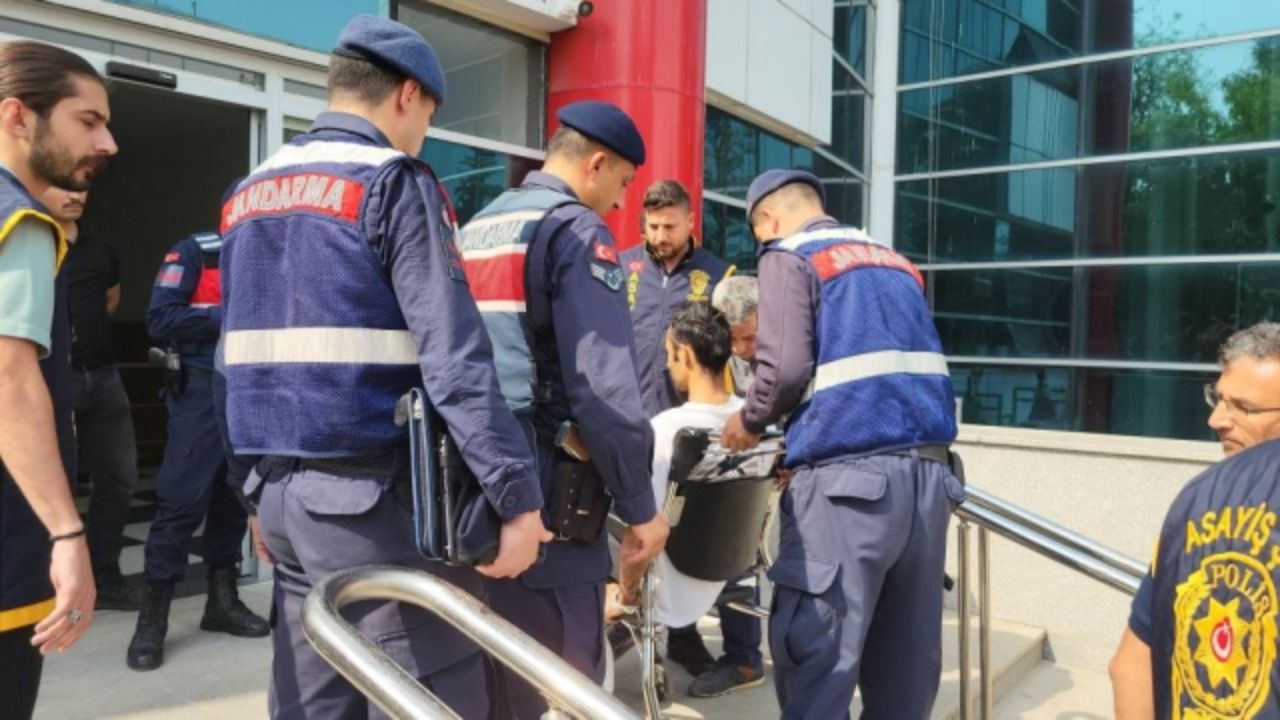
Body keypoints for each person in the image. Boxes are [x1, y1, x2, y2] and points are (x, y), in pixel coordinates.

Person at [219, 15, 548, 719]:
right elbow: (455, 358)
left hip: (282, 502)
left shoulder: (247, 193)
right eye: (429, 114)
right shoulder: (393, 181)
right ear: (406, 95)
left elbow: (233, 362)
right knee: (426, 692)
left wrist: (253, 490)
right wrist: (515, 495)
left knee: (315, 695)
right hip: (373, 510)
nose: (424, 132)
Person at [720, 169, 964, 719]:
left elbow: (783, 371)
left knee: (818, 665)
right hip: (928, 486)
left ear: (769, 220)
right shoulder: (893, 260)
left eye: (761, 237)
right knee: (903, 679)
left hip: (849, 492)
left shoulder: (790, 253)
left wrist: (750, 422)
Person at [457, 99, 669, 719]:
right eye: (624, 183)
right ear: (597, 163)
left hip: (479, 495)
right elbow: (603, 391)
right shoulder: (576, 229)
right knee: (572, 686)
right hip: (553, 509)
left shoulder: (481, 225)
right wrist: (640, 507)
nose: (623, 202)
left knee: (496, 680)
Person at [0, 39, 116, 719]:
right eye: (89, 120)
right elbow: (10, 380)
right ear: (19, 117)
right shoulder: (24, 223)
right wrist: (68, 536)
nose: (108, 142)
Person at [1110, 322, 1280, 719]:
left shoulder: (1195, 501)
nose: (1217, 420)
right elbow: (1130, 665)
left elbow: (1128, 668)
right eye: (1219, 399)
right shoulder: (1198, 498)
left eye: (1244, 408)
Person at [127, 215, 269, 671]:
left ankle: (221, 603)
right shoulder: (195, 251)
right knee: (182, 501)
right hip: (202, 389)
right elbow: (159, 316)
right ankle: (153, 619)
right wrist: (232, 313)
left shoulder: (273, 252)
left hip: (249, 387)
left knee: (235, 495)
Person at [608, 302, 772, 689]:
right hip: (732, 563)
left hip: (673, 577)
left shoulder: (667, 430)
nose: (668, 365)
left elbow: (642, 532)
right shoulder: (754, 425)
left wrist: (628, 594)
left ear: (685, 354)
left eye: (669, 355)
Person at [42, 186, 143, 611]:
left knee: (119, 479)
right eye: (63, 187)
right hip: (50, 380)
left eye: (80, 189)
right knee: (50, 485)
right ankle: (47, 588)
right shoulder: (31, 239)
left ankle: (104, 577)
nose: (74, 195)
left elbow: (111, 301)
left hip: (103, 376)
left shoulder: (100, 248)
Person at [621, 179, 734, 419]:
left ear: (691, 221)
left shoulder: (719, 276)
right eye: (653, 226)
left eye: (670, 227)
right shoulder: (621, 267)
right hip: (626, 417)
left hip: (686, 419)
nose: (660, 236)